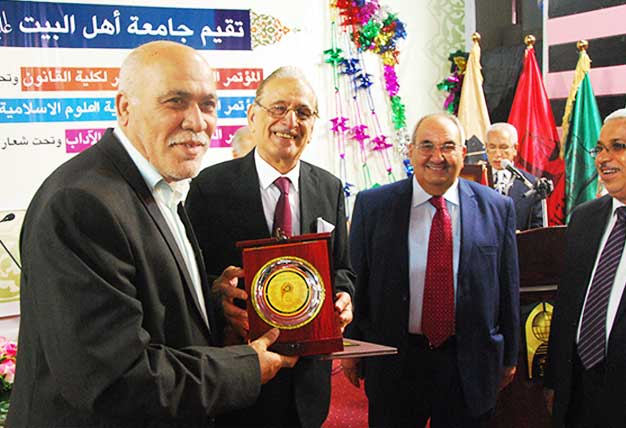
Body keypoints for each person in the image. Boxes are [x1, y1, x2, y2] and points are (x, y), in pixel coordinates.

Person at [6, 41, 297, 428]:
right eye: (176, 101)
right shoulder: (81, 203)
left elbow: (148, 304)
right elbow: (116, 381)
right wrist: (246, 366)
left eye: (208, 104)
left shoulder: (159, 185)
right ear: (125, 107)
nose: (197, 122)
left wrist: (213, 303)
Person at [186, 66, 355, 428]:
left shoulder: (329, 187)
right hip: (240, 379)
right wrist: (219, 295)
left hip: (309, 383)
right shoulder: (209, 188)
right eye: (278, 108)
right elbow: (189, 278)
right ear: (252, 116)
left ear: (313, 124)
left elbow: (342, 268)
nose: (290, 122)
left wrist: (344, 297)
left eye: (303, 112)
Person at [343, 112, 520, 428]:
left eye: (448, 146)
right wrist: (352, 347)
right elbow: (358, 283)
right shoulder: (373, 206)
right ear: (411, 151)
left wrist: (509, 356)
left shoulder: (497, 208)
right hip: (396, 361)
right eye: (427, 146)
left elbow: (508, 288)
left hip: (468, 363)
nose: (437, 157)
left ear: (463, 153)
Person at [544, 108, 626, 428]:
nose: (603, 158)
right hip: (579, 392)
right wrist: (556, 380)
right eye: (599, 148)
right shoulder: (584, 218)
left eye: (618, 146)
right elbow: (567, 305)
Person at [486, 122, 544, 230]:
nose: (497, 154)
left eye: (503, 147)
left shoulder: (531, 184)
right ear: (486, 148)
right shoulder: (475, 179)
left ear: (515, 148)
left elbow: (538, 228)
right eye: (492, 147)